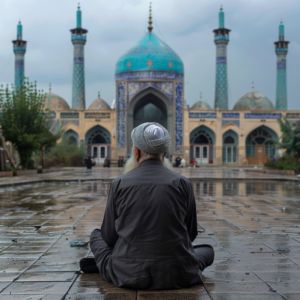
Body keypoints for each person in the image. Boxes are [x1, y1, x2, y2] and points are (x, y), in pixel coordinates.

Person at [79, 122, 214, 290]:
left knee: (96, 235)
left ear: (135, 152)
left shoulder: (119, 183)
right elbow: (190, 234)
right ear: (165, 153)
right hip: (177, 273)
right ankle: (184, 265)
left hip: (127, 272)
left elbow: (108, 237)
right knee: (207, 250)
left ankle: (105, 263)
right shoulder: (183, 183)